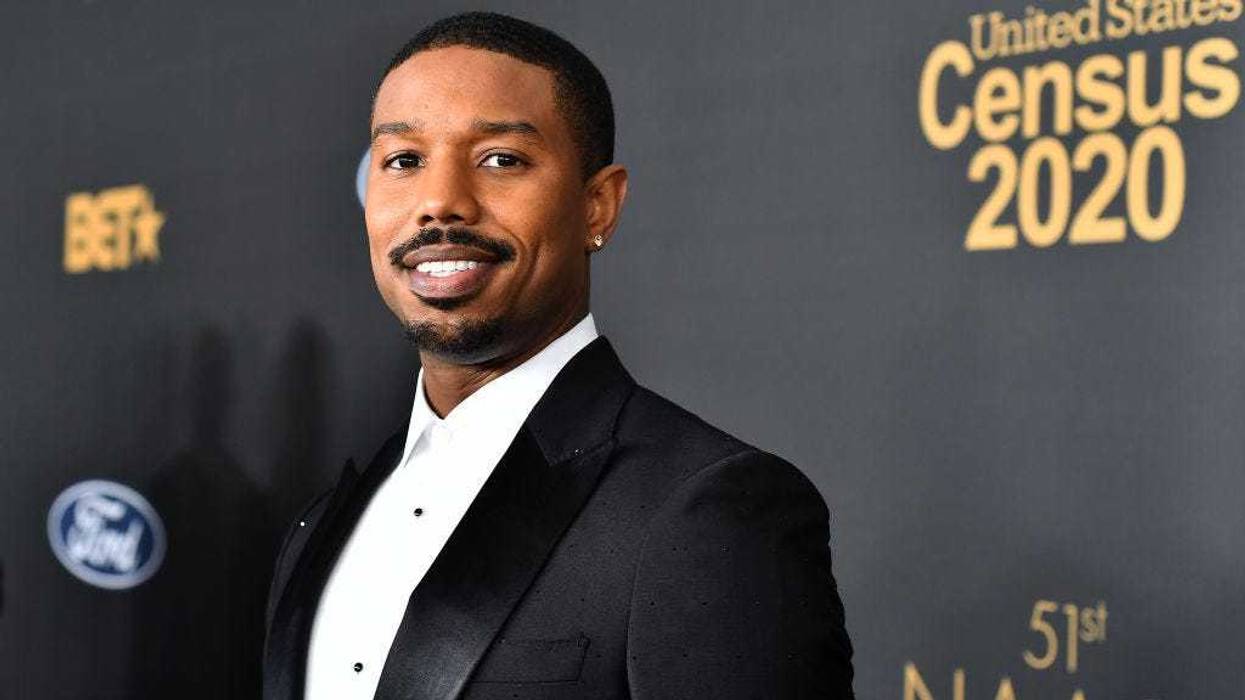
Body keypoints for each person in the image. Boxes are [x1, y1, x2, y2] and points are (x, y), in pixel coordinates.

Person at [262, 11, 854, 700]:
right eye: (402, 161)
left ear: (597, 207)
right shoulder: (323, 522)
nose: (439, 202)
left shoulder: (706, 509)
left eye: (499, 160)